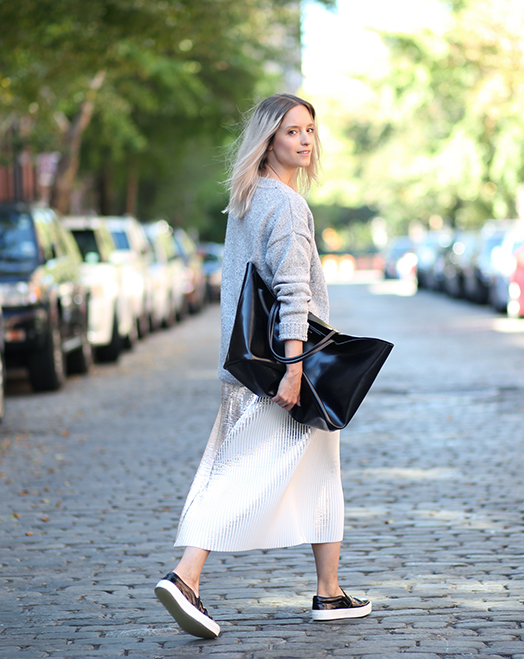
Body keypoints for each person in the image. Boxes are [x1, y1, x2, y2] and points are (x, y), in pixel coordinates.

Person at [153, 93, 371, 639]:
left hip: (251, 366)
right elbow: (292, 291)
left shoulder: (249, 198)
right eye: (292, 131)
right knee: (237, 476)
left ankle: (329, 591)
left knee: (321, 472)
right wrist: (295, 370)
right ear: (268, 139)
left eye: (310, 131)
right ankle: (186, 577)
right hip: (283, 373)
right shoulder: (285, 205)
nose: (304, 140)